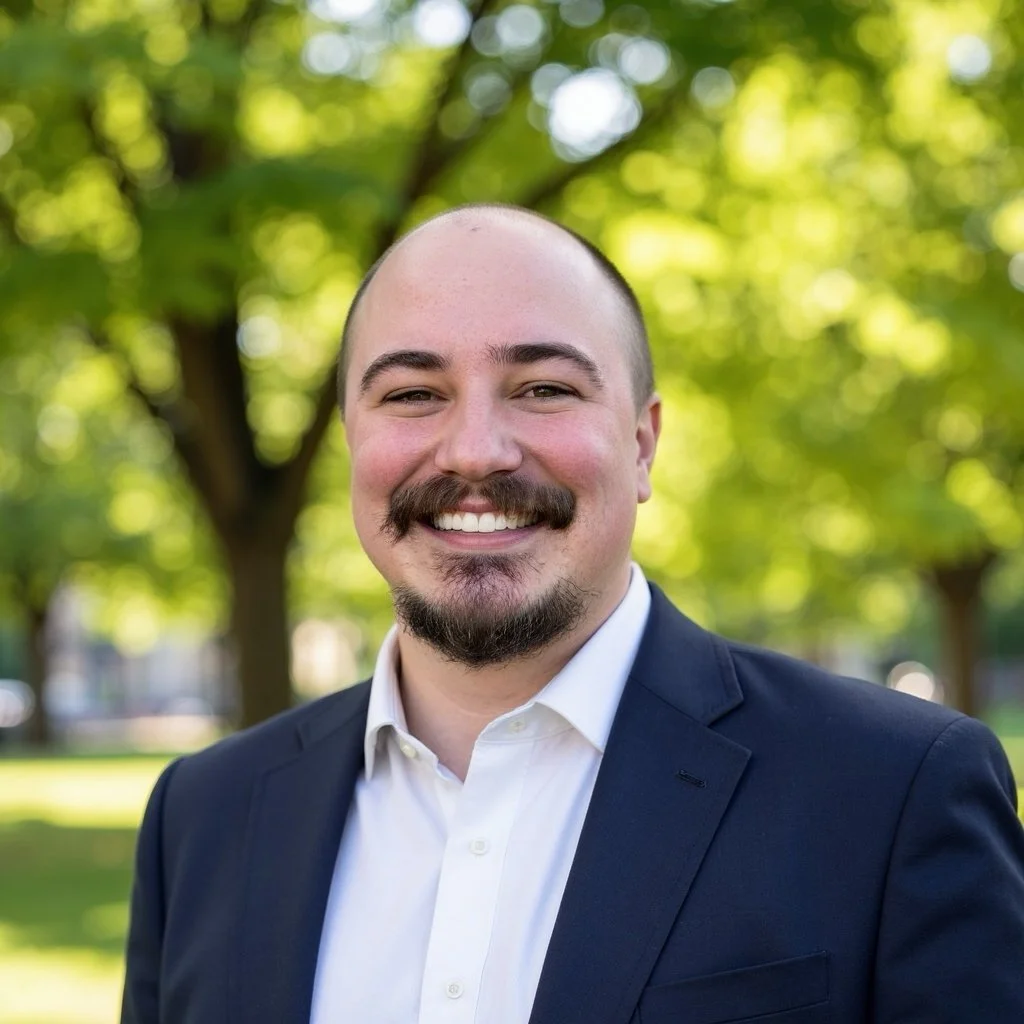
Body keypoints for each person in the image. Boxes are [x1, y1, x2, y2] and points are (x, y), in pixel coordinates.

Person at [121, 204, 1024, 1024]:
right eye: (411, 394)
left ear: (641, 444)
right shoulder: (202, 817)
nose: (475, 450)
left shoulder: (892, 793)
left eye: (544, 388)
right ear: (354, 439)